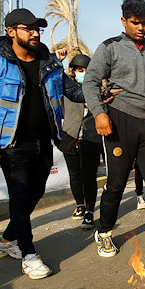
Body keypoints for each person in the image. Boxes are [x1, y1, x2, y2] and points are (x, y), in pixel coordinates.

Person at [0, 8, 84, 279]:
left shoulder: (49, 63)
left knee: (34, 195)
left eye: (38, 29)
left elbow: (73, 91)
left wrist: (101, 92)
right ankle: (29, 254)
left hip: (43, 141)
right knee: (20, 197)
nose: (35, 33)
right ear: (11, 32)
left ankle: (8, 239)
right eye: (28, 28)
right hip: (10, 143)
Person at [83, 0, 145, 259]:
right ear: (123, 21)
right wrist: (100, 114)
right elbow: (89, 82)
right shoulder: (109, 48)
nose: (141, 28)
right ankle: (103, 232)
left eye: (144, 23)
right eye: (135, 23)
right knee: (115, 182)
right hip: (119, 121)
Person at [58, 54, 103, 229]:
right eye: (79, 70)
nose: (82, 73)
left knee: (89, 176)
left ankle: (90, 211)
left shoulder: (96, 89)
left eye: (85, 70)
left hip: (92, 139)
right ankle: (80, 205)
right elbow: (57, 74)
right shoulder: (67, 88)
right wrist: (57, 59)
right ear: (73, 72)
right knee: (75, 175)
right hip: (70, 136)